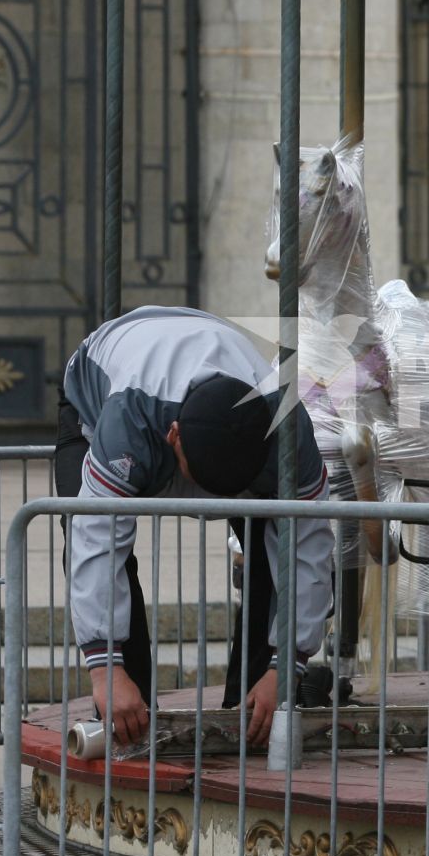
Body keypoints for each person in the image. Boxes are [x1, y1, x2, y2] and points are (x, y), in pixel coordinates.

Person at [56, 305, 336, 749]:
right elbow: (96, 543)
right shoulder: (129, 419)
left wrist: (286, 667)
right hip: (101, 384)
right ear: (174, 439)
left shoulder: (286, 427)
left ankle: (254, 710)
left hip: (210, 354)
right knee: (91, 535)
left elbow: (310, 546)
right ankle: (127, 713)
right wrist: (106, 671)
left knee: (267, 543)